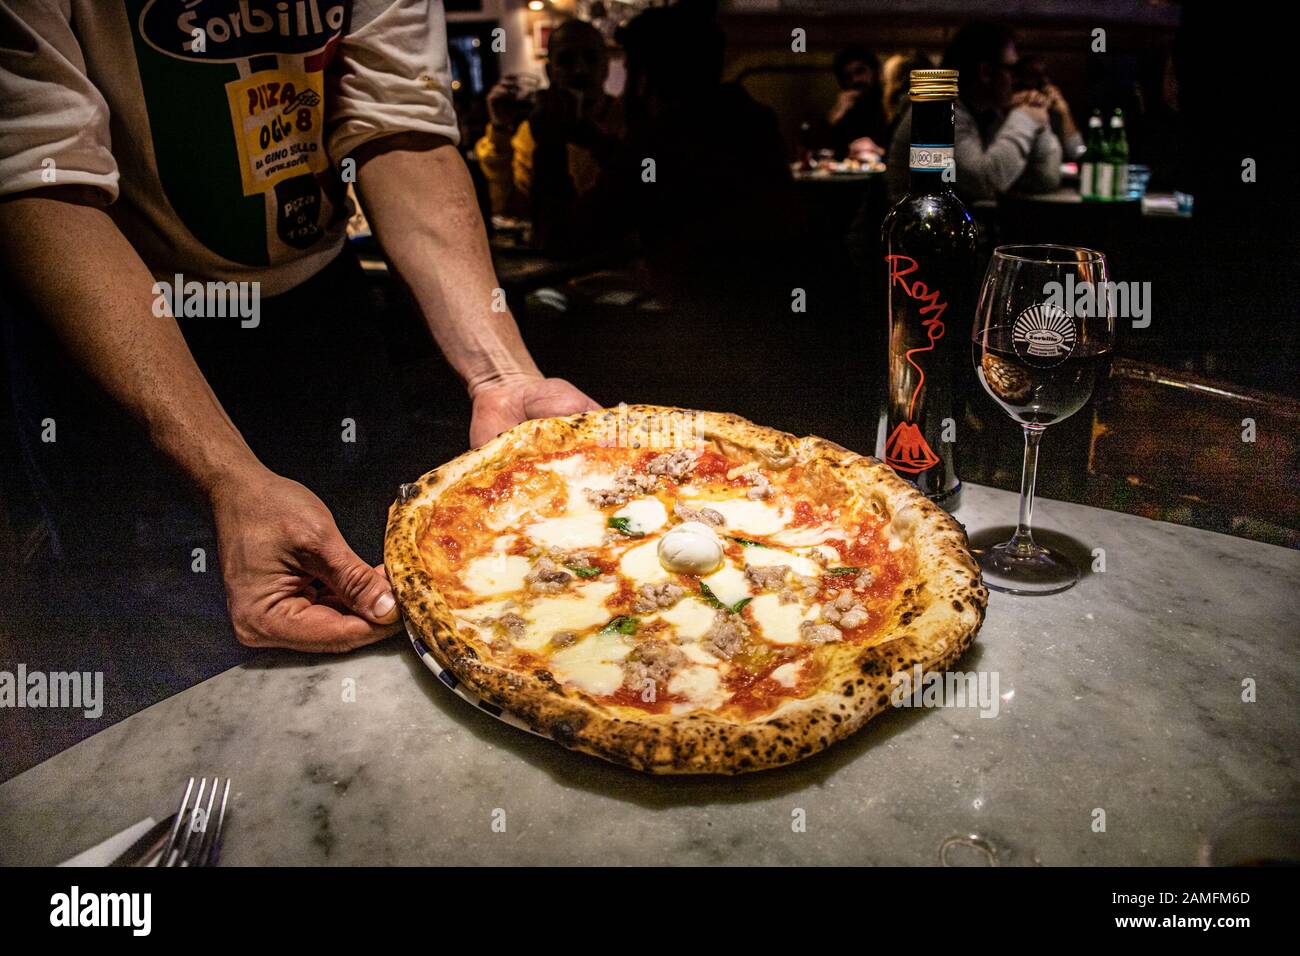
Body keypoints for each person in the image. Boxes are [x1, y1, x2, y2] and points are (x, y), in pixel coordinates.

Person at [0, 0, 597, 654]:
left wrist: (501, 374)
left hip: (319, 312)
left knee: (385, 606)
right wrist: (226, 473)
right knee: (167, 642)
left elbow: (397, 123)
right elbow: (38, 171)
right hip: (116, 328)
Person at [473, 18, 624, 244]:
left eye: (590, 58)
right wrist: (500, 128)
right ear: (549, 71)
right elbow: (508, 209)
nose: (580, 69)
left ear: (606, 66)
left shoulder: (629, 120)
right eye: (566, 60)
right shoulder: (530, 132)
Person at [886, 22, 1067, 203]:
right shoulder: (937, 112)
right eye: (1011, 70)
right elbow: (984, 184)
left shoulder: (991, 115)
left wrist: (1038, 124)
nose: (1016, 79)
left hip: (963, 226)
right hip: (918, 226)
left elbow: (1045, 179)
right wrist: (1025, 119)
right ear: (985, 72)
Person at [827, 45, 887, 159]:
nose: (856, 80)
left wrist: (878, 151)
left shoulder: (888, 104)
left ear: (875, 72)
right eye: (848, 76)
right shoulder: (847, 108)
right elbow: (828, 152)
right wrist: (837, 113)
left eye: (860, 71)